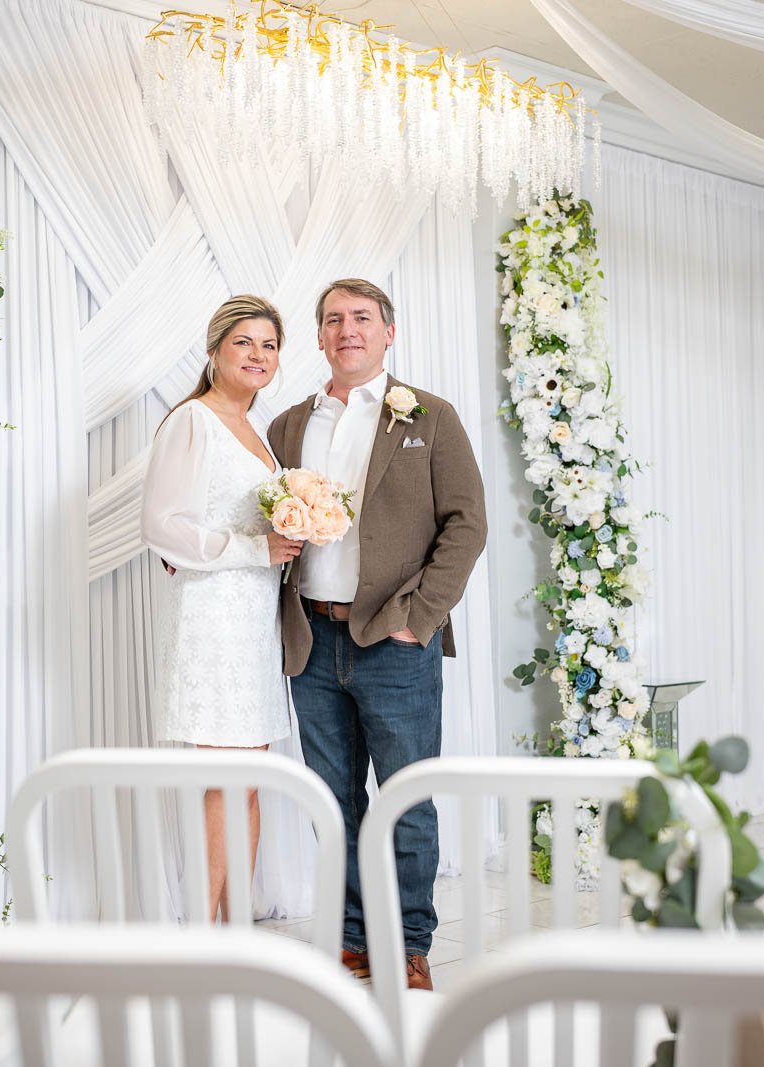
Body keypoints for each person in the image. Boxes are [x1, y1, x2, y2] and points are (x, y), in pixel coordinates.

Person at [266, 278, 486, 991]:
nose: (347, 329)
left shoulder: (430, 416)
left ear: (388, 332)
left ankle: (410, 943)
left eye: (362, 317)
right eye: (333, 319)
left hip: (395, 644)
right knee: (335, 803)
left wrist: (418, 617)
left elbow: (466, 524)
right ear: (320, 338)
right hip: (313, 642)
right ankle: (353, 940)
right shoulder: (291, 425)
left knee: (406, 799)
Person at [141, 294, 301, 922]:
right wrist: (256, 547)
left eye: (268, 344)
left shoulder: (256, 430)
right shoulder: (193, 421)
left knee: (251, 776)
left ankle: (237, 921)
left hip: (255, 617)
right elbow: (162, 527)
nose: (258, 355)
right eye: (244, 342)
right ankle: (204, 927)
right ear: (214, 353)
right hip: (211, 615)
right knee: (224, 779)